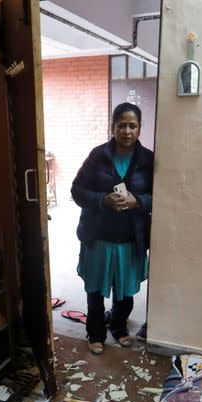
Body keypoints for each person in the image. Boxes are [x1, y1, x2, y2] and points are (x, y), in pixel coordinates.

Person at [71, 102, 153, 355]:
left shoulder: (148, 159)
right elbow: (77, 190)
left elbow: (161, 196)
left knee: (124, 291)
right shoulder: (98, 156)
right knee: (95, 290)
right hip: (98, 238)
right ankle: (95, 333)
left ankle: (119, 328)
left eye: (132, 126)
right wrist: (102, 199)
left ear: (139, 128)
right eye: (122, 125)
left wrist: (138, 200)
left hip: (131, 240)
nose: (127, 131)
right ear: (113, 127)